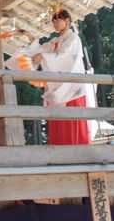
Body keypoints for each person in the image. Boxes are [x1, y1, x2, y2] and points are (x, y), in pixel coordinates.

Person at [31, 8, 90, 145]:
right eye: (54, 21)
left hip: (71, 87)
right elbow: (43, 49)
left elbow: (63, 57)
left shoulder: (74, 38)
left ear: (67, 21)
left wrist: (43, 56)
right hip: (58, 87)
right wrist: (34, 49)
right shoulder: (56, 40)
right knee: (58, 120)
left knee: (73, 118)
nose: (56, 23)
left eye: (58, 20)